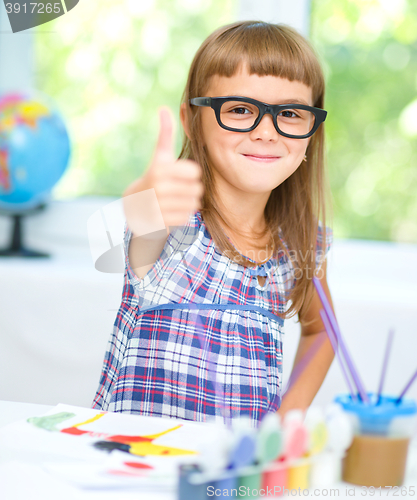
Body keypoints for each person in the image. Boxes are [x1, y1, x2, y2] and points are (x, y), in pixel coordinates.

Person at [93, 20, 335, 425]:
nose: (266, 132)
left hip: (231, 478)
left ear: (312, 130)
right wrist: (148, 194)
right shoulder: (175, 225)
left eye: (290, 113)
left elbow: (322, 331)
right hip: (139, 472)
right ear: (192, 122)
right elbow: (137, 224)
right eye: (240, 110)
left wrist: (285, 421)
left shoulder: (299, 242)